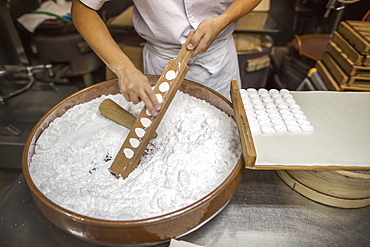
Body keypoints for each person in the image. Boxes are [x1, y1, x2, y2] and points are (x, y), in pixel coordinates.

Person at [71, 0, 262, 116]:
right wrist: (124, 69)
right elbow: (83, 8)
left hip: (217, 61)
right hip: (161, 61)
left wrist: (223, 20)